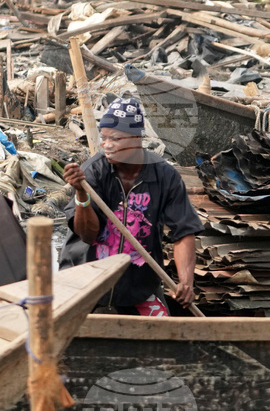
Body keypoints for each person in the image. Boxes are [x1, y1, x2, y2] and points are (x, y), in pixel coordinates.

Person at [60, 97, 203, 316]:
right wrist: (81, 192)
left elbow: (184, 231)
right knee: (65, 341)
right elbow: (87, 235)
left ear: (137, 139)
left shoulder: (165, 176)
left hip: (139, 286)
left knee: (161, 340)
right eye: (104, 137)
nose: (106, 144)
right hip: (84, 281)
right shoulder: (92, 172)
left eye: (115, 138)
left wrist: (185, 281)